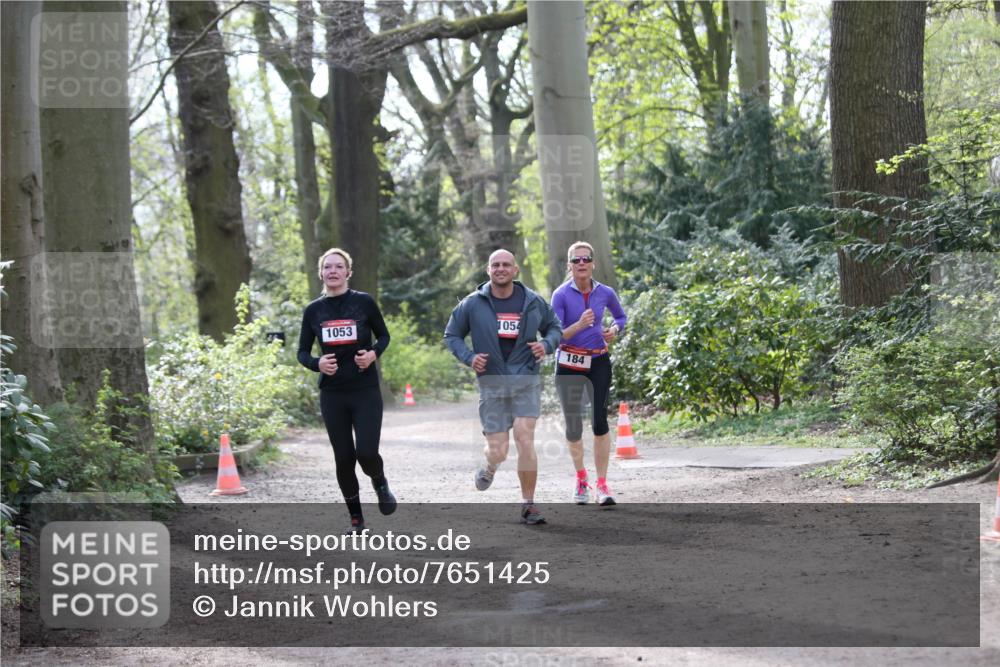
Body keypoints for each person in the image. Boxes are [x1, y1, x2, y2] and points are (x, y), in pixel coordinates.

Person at [444, 249, 562, 525]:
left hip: (525, 379)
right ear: (488, 270)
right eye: (495, 265)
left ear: (515, 270)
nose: (500, 268)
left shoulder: (533, 301)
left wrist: (545, 345)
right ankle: (490, 466)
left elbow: (554, 327)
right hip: (492, 383)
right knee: (499, 450)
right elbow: (452, 335)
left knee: (525, 436)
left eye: (506, 264)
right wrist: (469, 357)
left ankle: (529, 504)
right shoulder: (472, 304)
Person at [298, 248, 395, 534]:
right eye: (328, 267)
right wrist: (317, 364)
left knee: (366, 452)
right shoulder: (313, 310)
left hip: (364, 390)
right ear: (321, 273)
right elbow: (302, 352)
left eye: (339, 267)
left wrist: (373, 354)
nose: (333, 271)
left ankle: (379, 482)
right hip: (333, 394)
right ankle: (356, 519)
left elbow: (384, 335)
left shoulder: (363, 302)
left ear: (348, 272)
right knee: (343, 458)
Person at [551, 241, 628, 507]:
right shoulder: (560, 295)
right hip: (569, 363)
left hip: (598, 361)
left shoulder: (605, 292)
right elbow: (555, 335)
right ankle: (581, 478)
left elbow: (621, 318)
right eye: (576, 260)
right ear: (569, 265)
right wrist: (580, 324)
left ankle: (603, 484)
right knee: (573, 426)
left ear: (593, 263)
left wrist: (614, 331)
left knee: (599, 421)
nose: (581, 263)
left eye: (586, 259)